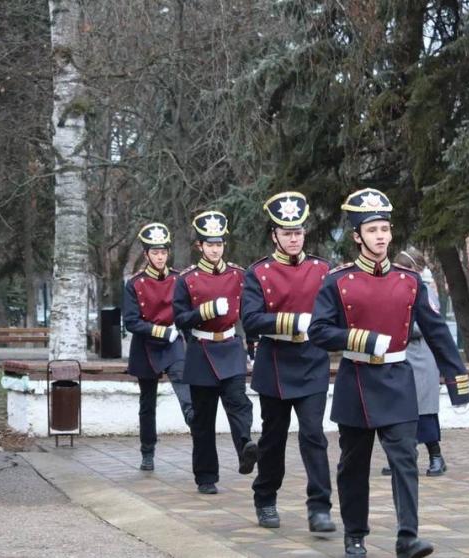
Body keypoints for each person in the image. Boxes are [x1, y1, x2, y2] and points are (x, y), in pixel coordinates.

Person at [308, 188, 469, 558]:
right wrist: (360, 339)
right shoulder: (337, 281)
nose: (380, 236)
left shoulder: (411, 281)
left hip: (398, 381)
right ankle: (355, 536)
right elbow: (318, 332)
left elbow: (437, 332)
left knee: (404, 461)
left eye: (384, 228)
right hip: (357, 381)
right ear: (357, 236)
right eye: (372, 230)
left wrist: (456, 379)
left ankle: (407, 536)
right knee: (354, 466)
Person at [243, 192, 335, 532]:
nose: (293, 238)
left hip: (311, 360)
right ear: (274, 235)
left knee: (314, 435)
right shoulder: (258, 273)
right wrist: (291, 321)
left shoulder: (323, 270)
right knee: (273, 438)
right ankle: (265, 497)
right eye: (286, 232)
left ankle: (320, 507)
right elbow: (250, 320)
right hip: (275, 363)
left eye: (298, 231)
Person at [173, 210, 258, 495]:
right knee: (203, 418)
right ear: (200, 246)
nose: (214, 249)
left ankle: (246, 446)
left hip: (231, 346)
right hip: (201, 350)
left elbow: (249, 311)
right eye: (209, 244)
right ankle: (206, 476)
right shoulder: (187, 279)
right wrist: (205, 312)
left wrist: (253, 341)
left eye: (219, 244)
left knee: (238, 402)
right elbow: (180, 319)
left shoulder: (238, 275)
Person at [122, 222, 194, 471]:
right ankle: (147, 451)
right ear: (146, 255)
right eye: (155, 252)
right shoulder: (135, 284)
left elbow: (186, 311)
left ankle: (199, 438)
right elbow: (131, 322)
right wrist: (162, 331)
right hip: (146, 346)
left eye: (163, 252)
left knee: (187, 395)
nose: (160, 257)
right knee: (147, 403)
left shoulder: (178, 279)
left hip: (174, 345)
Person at [382, 247, 448, 477]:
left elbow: (427, 325)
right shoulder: (392, 289)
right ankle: (399, 458)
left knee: (425, 411)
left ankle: (436, 456)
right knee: (399, 411)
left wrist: (397, 326)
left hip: (422, 358)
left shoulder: (425, 292)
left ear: (414, 270)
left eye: (403, 269)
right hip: (399, 356)